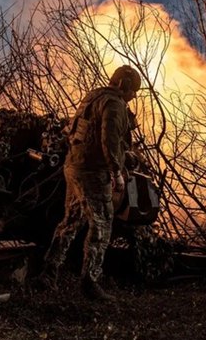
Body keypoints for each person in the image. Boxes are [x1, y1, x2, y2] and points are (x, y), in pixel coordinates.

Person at [36, 65, 142, 301]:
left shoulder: (94, 96)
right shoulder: (113, 104)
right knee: (102, 224)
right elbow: (109, 140)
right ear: (124, 85)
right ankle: (90, 282)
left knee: (70, 221)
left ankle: (48, 273)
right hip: (93, 172)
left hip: (74, 167)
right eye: (133, 90)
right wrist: (116, 172)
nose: (133, 95)